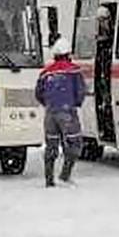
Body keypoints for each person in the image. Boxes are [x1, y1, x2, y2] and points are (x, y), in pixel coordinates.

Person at [34, 38, 86, 187]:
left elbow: (38, 93)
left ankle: (49, 180)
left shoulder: (45, 72)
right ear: (68, 54)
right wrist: (74, 103)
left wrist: (49, 104)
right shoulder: (74, 70)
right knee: (74, 144)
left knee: (51, 145)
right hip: (67, 112)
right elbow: (80, 91)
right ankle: (65, 174)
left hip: (50, 114)